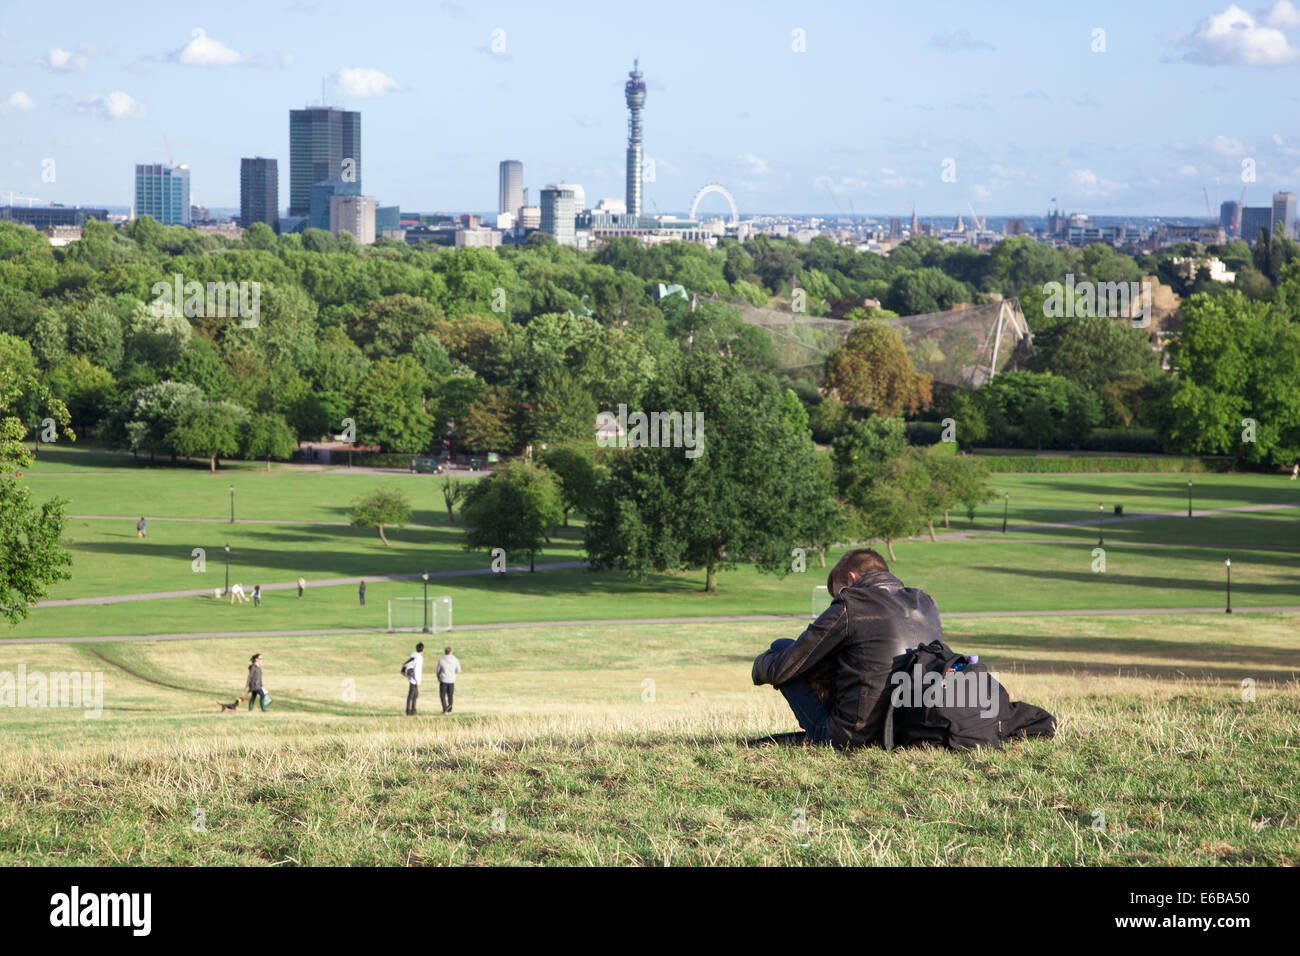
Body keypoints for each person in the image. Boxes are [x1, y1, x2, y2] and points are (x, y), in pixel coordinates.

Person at [751, 548, 942, 748]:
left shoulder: (851, 603)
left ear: (852, 579)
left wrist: (760, 668)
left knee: (781, 647)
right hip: (907, 732)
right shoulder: (926, 603)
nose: (837, 600)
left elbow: (782, 669)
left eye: (837, 594)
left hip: (854, 737)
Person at [437, 647, 461, 714]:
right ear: (451, 652)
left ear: (445, 652)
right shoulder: (455, 659)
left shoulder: (441, 660)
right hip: (452, 680)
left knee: (442, 695)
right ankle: (450, 709)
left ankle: (445, 709)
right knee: (450, 695)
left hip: (443, 679)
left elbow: (438, 671)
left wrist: (438, 677)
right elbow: (458, 670)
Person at [403, 642, 424, 716]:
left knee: (412, 695)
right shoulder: (419, 658)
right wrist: (418, 681)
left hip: (411, 677)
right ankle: (411, 711)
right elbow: (417, 670)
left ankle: (410, 710)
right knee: (413, 695)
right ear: (422, 649)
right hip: (414, 679)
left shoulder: (413, 655)